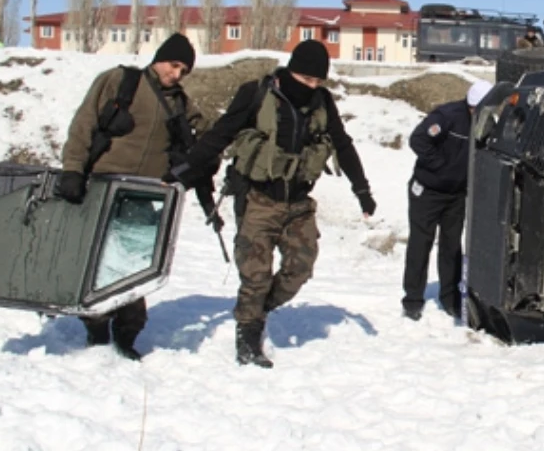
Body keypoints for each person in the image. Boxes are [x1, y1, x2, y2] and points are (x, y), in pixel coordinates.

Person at [167, 40, 377, 368]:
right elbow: (220, 135)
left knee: (300, 268)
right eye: (307, 80)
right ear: (292, 71)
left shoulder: (321, 102)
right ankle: (248, 335)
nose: (312, 87)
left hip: (298, 201)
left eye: (318, 82)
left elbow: (343, 145)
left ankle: (258, 308)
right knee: (255, 273)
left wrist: (362, 190)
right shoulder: (256, 93)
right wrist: (183, 172)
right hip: (258, 198)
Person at [56, 32, 208, 361]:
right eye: (174, 64)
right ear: (159, 58)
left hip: (145, 193)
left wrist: (182, 173)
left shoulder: (180, 102)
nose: (177, 74)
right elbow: (84, 123)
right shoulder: (121, 81)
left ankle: (126, 334)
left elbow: (207, 139)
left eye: (184, 70)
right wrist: (72, 169)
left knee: (134, 263)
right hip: (102, 186)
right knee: (98, 261)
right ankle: (96, 328)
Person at [402, 79, 493, 321]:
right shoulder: (447, 116)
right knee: (421, 243)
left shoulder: (487, 123)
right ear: (472, 105)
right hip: (428, 191)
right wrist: (441, 167)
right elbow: (417, 140)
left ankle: (450, 297)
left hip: (456, 195)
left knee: (452, 246)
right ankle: (412, 300)